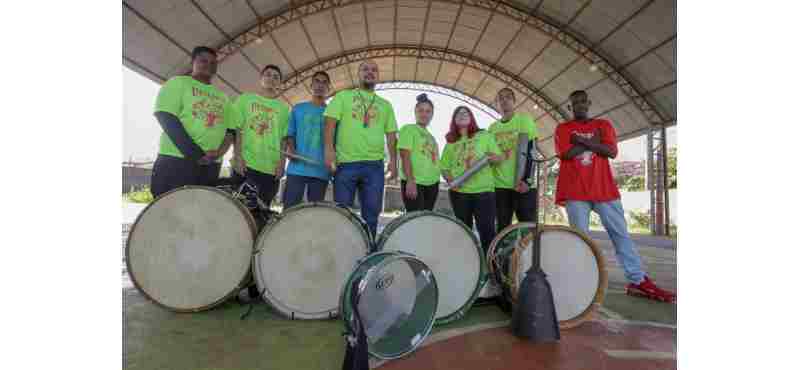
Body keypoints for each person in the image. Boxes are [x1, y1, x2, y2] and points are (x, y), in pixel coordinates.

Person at [555, 90, 676, 303]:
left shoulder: (604, 125)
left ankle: (637, 280)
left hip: (604, 189)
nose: (580, 105)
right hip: (575, 191)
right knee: (580, 239)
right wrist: (594, 142)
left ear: (589, 102)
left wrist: (581, 142)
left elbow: (611, 152)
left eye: (583, 101)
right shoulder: (563, 128)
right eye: (575, 103)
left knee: (620, 235)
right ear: (569, 107)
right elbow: (566, 154)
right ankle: (580, 280)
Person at [323, 60, 398, 240]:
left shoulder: (385, 105)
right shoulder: (343, 97)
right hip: (346, 164)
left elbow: (391, 135)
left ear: (378, 76)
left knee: (371, 216)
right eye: (365, 69)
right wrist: (328, 150)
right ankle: (342, 251)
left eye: (374, 70)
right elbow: (329, 124)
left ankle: (368, 251)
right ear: (358, 74)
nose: (369, 72)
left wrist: (394, 162)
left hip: (374, 166)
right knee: (342, 214)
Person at [150, 46, 236, 197]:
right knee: (165, 211)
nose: (209, 64)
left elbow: (230, 132)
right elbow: (166, 117)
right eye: (203, 60)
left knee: (198, 213)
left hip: (210, 165)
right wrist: (196, 154)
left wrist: (218, 154)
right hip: (176, 161)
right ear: (192, 63)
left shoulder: (224, 98)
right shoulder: (178, 83)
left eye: (213, 63)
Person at [440, 106, 503, 254]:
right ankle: (468, 267)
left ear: (471, 117)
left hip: (484, 192)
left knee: (487, 232)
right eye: (458, 114)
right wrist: (451, 182)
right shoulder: (451, 142)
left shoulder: (484, 135)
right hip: (459, 193)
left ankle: (492, 269)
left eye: (465, 113)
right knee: (464, 233)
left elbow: (499, 157)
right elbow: (444, 167)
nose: (462, 115)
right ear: (454, 121)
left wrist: (492, 157)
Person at [231, 64, 291, 210]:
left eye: (276, 77)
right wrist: (238, 157)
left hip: (270, 169)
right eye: (268, 75)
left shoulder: (284, 108)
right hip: (246, 165)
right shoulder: (245, 99)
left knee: (261, 211)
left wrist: (281, 164)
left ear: (279, 83)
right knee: (238, 209)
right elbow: (237, 129)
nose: (271, 78)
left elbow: (283, 139)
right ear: (261, 78)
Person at [489, 87, 539, 232]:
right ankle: (503, 255)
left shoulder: (524, 120)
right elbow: (490, 157)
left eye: (508, 97)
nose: (504, 100)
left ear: (514, 101)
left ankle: (529, 255)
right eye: (500, 98)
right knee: (502, 228)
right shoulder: (492, 128)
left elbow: (533, 150)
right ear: (496, 103)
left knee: (528, 228)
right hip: (499, 187)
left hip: (522, 185)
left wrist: (527, 180)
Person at [283, 71, 333, 209]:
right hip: (296, 170)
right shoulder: (298, 109)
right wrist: (292, 150)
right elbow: (290, 134)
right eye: (317, 81)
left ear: (329, 88)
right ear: (311, 85)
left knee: (313, 215)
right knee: (289, 211)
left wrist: (332, 164)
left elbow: (335, 142)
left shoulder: (333, 113)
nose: (320, 85)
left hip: (320, 171)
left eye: (324, 82)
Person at [398, 93, 441, 212]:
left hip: (433, 184)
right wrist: (410, 180)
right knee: (415, 220)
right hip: (416, 182)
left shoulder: (432, 137)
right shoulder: (409, 129)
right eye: (420, 110)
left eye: (428, 111)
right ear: (415, 112)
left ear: (432, 114)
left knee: (426, 220)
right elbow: (404, 155)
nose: (424, 114)